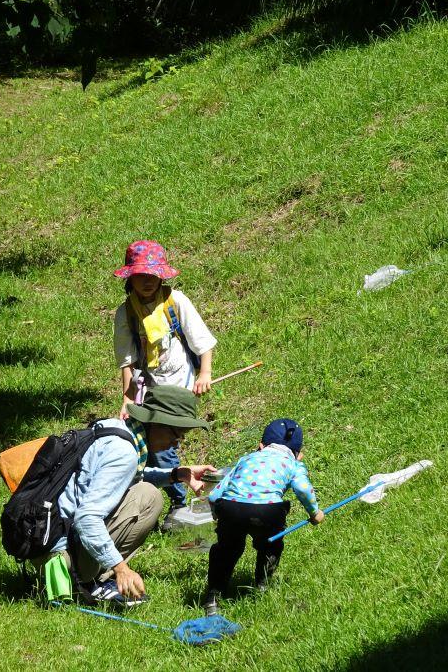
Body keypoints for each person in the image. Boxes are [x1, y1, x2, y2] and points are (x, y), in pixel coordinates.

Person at [34, 385, 216, 605]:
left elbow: (127, 476)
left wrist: (177, 474)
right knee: (149, 497)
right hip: (61, 557)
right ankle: (88, 579)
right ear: (156, 423)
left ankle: (90, 571)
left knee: (145, 491)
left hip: (45, 543)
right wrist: (121, 569)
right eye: (176, 433)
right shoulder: (125, 453)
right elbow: (86, 518)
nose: (177, 442)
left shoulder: (117, 431)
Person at [112, 240, 216, 527]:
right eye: (141, 276)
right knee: (146, 444)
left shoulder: (176, 302)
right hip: (149, 388)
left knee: (159, 444)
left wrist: (204, 373)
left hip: (179, 386)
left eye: (152, 275)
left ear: (162, 276)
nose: (147, 281)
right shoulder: (126, 313)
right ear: (130, 278)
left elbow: (202, 341)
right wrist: (128, 398)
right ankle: (174, 498)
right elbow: (127, 360)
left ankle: (181, 503)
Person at [203, 418, 324, 615]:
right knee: (270, 545)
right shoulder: (293, 464)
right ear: (299, 455)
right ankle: (261, 587)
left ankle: (213, 598)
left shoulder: (246, 459)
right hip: (267, 511)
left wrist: (218, 514)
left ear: (260, 446)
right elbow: (302, 488)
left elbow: (215, 495)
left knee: (226, 550)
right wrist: (315, 512)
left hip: (231, 507)